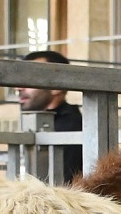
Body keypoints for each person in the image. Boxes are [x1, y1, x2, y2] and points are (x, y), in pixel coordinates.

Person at [18, 49, 83, 184]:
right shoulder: (35, 122)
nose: (19, 87)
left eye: (30, 79)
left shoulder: (72, 127)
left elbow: (67, 187)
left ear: (56, 86)